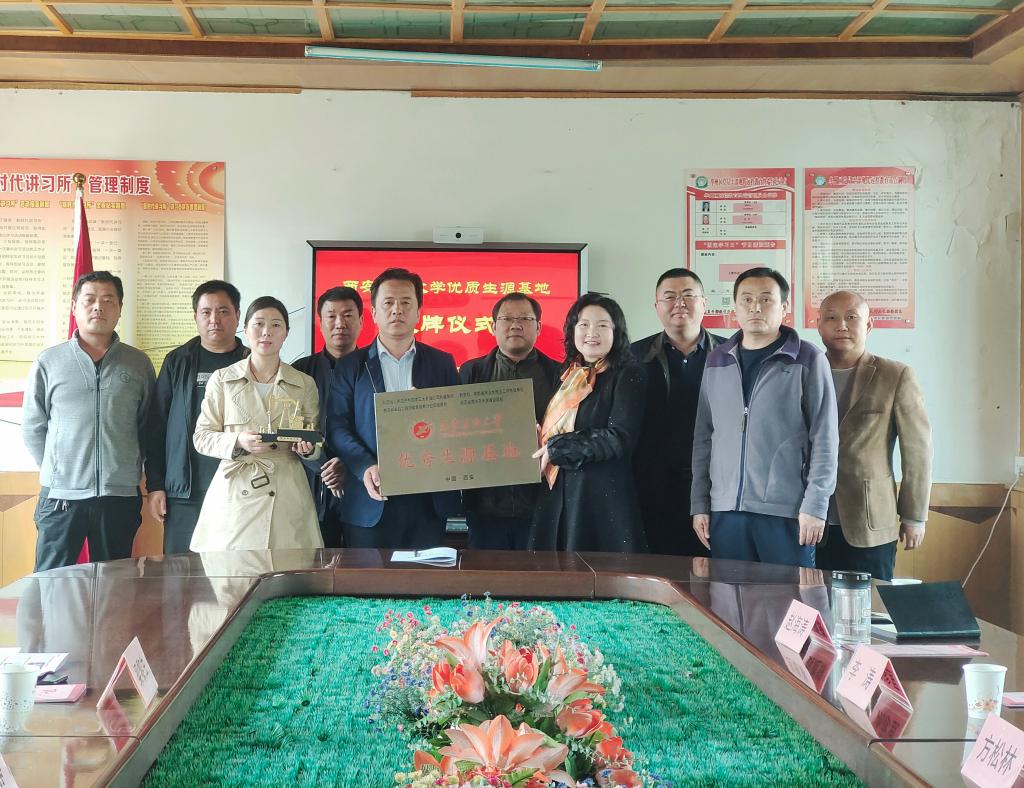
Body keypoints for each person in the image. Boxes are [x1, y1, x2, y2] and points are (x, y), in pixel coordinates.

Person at [691, 267, 837, 568]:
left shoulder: (807, 359)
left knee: (790, 596)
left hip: (787, 513)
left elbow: (825, 439)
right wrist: (700, 504)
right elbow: (704, 437)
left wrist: (815, 505)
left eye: (766, 299)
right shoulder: (717, 360)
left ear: (784, 307)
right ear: (735, 307)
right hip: (725, 512)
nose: (755, 307)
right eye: (746, 299)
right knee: (728, 596)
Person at [22, 271, 156, 570]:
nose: (98, 307)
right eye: (90, 299)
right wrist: (59, 469)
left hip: (119, 495)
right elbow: (33, 426)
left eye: (108, 300)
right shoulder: (49, 361)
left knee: (114, 582)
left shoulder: (138, 364)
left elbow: (147, 427)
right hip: (61, 496)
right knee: (51, 580)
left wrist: (130, 469)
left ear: (119, 309)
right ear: (74, 307)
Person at [327, 268, 461, 549]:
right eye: (388, 302)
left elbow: (456, 423)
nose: (397, 310)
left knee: (426, 577)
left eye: (406, 302)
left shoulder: (442, 363)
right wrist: (365, 466)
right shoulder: (350, 365)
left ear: (419, 312)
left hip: (427, 499)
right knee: (369, 577)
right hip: (371, 497)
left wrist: (432, 415)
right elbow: (338, 426)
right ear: (374, 313)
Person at [814, 290, 932, 580]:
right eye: (831, 317)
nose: (841, 325)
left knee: (869, 603)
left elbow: (918, 451)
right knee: (810, 603)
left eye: (851, 317)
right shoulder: (804, 373)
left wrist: (914, 516)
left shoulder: (895, 375)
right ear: (819, 325)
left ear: (868, 325)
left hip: (869, 521)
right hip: (810, 521)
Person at [190, 296, 324, 551]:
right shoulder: (223, 379)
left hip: (286, 489)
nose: (266, 332)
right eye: (259, 323)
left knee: (288, 565)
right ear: (245, 329)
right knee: (235, 568)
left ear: (286, 332)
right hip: (237, 489)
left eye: (276, 325)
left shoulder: (303, 383)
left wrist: (308, 449)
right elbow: (202, 436)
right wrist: (237, 441)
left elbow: (314, 437)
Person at [529, 293, 646, 553]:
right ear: (572, 331)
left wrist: (558, 447)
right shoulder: (567, 374)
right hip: (557, 493)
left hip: (598, 501)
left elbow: (619, 438)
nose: (591, 332)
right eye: (583, 324)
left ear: (616, 332)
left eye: (602, 325)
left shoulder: (628, 375)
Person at [146, 280, 249, 555]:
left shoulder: (252, 362)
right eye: (206, 312)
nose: (215, 319)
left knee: (235, 570)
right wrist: (156, 485)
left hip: (239, 489)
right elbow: (156, 427)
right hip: (185, 491)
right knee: (180, 572)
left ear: (237, 315)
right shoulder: (177, 362)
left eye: (223, 311)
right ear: (195, 317)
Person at [632, 268, 724, 556]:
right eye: (669, 297)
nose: (679, 303)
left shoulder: (730, 354)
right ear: (656, 306)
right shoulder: (633, 357)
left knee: (712, 569)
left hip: (715, 485)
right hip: (651, 485)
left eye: (688, 295)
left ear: (704, 303)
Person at [459, 293, 560, 549]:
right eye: (507, 319)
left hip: (541, 503)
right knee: (486, 572)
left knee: (539, 572)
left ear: (538, 327)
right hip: (485, 505)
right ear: (493, 326)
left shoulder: (559, 375)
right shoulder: (471, 372)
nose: (516, 325)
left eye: (525, 319)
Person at [292, 286, 363, 548]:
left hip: (362, 484)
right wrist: (324, 467)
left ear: (361, 321)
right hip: (311, 486)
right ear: (320, 322)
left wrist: (349, 464)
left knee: (364, 563)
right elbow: (292, 428)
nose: (340, 323)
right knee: (315, 562)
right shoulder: (299, 372)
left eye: (348, 315)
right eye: (331, 316)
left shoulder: (374, 368)